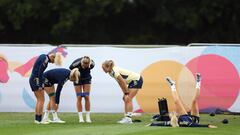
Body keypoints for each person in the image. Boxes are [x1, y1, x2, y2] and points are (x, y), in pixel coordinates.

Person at [29, 53, 62, 124]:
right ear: (52, 58)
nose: (52, 63)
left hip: (33, 79)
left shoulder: (43, 56)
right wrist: (41, 85)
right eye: (53, 61)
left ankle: (37, 119)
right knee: (41, 100)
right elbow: (40, 73)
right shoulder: (45, 60)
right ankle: (39, 120)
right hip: (36, 79)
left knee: (39, 100)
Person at [69, 56, 95, 123]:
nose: (84, 67)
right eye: (83, 65)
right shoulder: (75, 64)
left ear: (89, 64)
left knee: (87, 96)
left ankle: (87, 117)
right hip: (77, 79)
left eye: (86, 66)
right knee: (79, 97)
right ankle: (80, 118)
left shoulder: (92, 64)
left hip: (87, 78)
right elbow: (71, 69)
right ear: (81, 63)